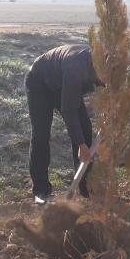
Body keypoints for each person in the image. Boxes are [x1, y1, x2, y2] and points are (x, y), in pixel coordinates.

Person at [25, 44, 101, 204]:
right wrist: (81, 145)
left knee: (85, 128)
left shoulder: (106, 65)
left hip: (62, 82)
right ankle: (41, 190)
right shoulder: (76, 67)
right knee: (41, 134)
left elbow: (108, 91)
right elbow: (69, 111)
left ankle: (85, 185)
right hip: (39, 83)